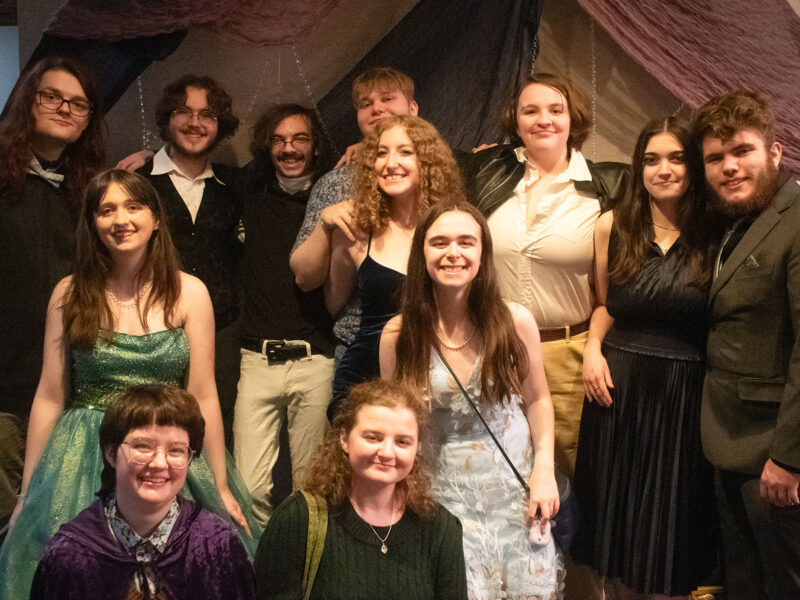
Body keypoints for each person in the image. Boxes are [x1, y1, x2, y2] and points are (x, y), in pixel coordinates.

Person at [0, 170, 259, 599]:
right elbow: (49, 394)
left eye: (133, 206)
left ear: (156, 219)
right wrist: (30, 490)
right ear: (93, 223)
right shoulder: (69, 293)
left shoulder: (190, 292)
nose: (120, 219)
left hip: (167, 444)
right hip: (83, 448)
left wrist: (221, 485)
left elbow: (203, 394)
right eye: (106, 209)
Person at [381, 201, 563, 600]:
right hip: (440, 499)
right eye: (439, 242)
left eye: (467, 242)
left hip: (513, 495)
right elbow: (392, 425)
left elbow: (537, 400)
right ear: (421, 253)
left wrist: (544, 471)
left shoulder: (514, 321)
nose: (453, 253)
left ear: (483, 253)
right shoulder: (400, 333)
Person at [573, 118, 719, 598]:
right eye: (651, 159)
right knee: (618, 526)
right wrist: (592, 348)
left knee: (670, 527)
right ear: (639, 168)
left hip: (685, 394)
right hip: (617, 386)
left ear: (694, 165)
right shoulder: (612, 225)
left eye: (676, 158)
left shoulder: (718, 232)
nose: (664, 169)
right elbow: (605, 306)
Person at [465, 73, 628, 480]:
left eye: (556, 110)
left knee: (565, 477)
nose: (544, 120)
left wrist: (594, 346)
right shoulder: (486, 173)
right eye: (531, 110)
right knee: (495, 469)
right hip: (492, 349)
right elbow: (423, 156)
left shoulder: (606, 186)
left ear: (573, 119)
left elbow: (614, 293)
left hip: (567, 356)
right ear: (515, 121)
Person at [694, 90, 800, 600]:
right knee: (746, 583)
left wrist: (790, 458)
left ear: (775, 154)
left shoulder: (796, 220)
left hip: (775, 456)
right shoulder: (737, 224)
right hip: (730, 443)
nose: (729, 167)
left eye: (742, 152)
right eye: (716, 158)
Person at [30, 384, 256, 600]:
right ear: (110, 453)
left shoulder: (216, 545)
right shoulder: (69, 555)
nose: (159, 463)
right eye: (142, 446)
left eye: (176, 450)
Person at [254, 379, 467, 600]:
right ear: (344, 438)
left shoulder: (441, 529)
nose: (387, 452)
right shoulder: (298, 519)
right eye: (373, 437)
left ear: (416, 449)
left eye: (402, 442)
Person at [232, 103, 335, 526]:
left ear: (315, 147)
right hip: (256, 361)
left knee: (311, 492)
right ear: (267, 146)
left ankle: (305, 583)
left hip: (316, 360)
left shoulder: (333, 196)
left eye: (300, 139)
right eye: (279, 140)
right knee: (249, 489)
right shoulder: (248, 195)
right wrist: (146, 160)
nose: (288, 148)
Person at [325, 114, 463, 416]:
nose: (390, 163)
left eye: (405, 151)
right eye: (381, 153)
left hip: (438, 375)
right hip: (365, 377)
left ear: (427, 161)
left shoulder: (455, 227)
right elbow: (334, 304)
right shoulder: (358, 229)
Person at [0, 56, 105, 429]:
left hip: (72, 396)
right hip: (5, 399)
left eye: (78, 104)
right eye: (51, 96)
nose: (64, 108)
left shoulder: (94, 193)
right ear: (27, 101)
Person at [290, 67, 420, 361]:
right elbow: (304, 277)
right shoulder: (335, 182)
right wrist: (328, 225)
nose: (377, 109)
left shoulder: (442, 171)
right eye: (366, 104)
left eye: (388, 99)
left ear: (412, 108)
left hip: (430, 340)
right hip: (359, 342)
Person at [140, 74, 243, 448]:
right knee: (156, 432)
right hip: (154, 329)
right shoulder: (137, 181)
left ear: (220, 126)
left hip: (223, 335)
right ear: (167, 118)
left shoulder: (234, 186)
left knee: (218, 432)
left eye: (207, 115)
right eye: (184, 112)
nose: (196, 123)